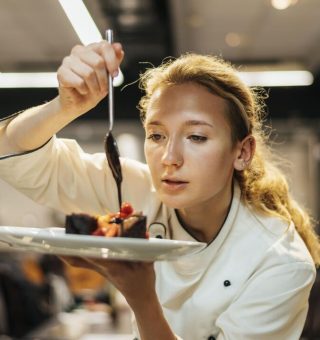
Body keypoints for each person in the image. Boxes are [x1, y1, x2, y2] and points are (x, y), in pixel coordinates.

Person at [0, 40, 319, 340]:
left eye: (196, 137)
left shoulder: (280, 263)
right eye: (156, 135)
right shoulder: (134, 189)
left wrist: (141, 297)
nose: (169, 159)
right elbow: (12, 153)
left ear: (242, 152)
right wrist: (63, 106)